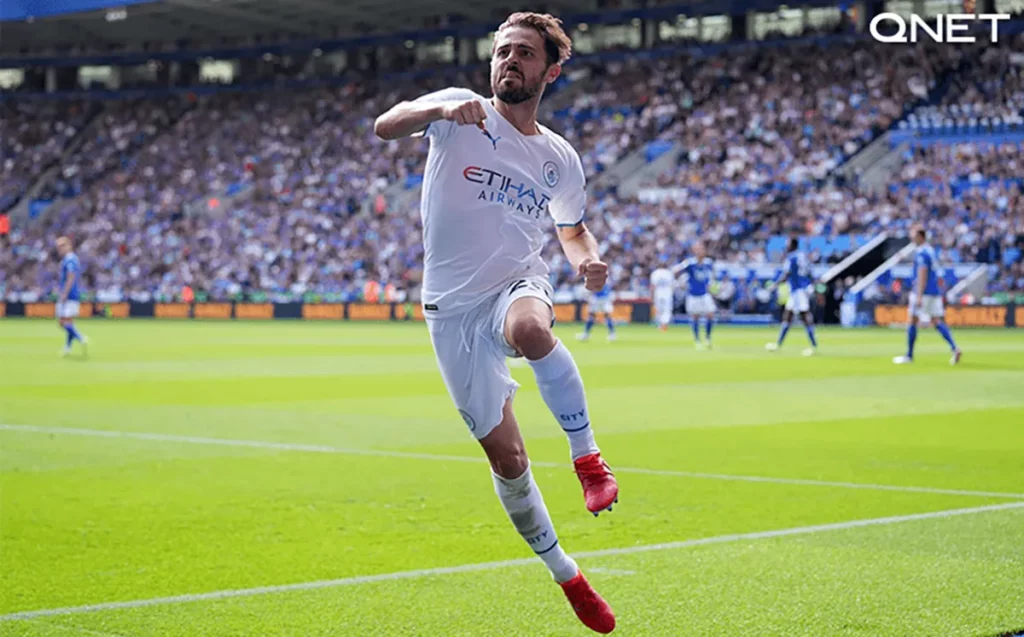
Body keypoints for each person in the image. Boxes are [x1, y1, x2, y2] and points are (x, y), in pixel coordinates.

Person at [374, 12, 617, 633]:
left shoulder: (559, 156)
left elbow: (572, 230)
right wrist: (436, 111)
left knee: (531, 330)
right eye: (503, 51)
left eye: (525, 53)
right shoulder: (460, 110)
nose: (510, 60)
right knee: (508, 461)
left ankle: (588, 459)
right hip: (450, 310)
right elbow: (385, 124)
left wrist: (587, 262)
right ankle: (567, 574)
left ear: (550, 72)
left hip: (516, 284)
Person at [893, 225, 962, 365]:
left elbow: (922, 273)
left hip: (923, 292)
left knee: (912, 320)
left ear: (920, 236)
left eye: (913, 235)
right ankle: (954, 348)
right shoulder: (930, 251)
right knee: (936, 321)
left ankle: (909, 355)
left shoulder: (922, 253)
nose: (911, 237)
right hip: (934, 292)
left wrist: (919, 295)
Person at [765, 236, 818, 356]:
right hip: (800, 289)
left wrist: (775, 285)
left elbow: (786, 274)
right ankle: (778, 344)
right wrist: (811, 283)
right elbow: (809, 272)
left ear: (793, 245)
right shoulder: (803, 256)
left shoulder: (791, 257)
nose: (786, 246)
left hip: (798, 290)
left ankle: (814, 346)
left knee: (804, 316)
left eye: (788, 244)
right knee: (787, 316)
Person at [676, 242, 716, 349]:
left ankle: (707, 338)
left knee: (710, 314)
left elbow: (711, 275)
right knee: (695, 317)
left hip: (705, 293)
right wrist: (681, 282)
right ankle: (697, 340)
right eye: (697, 249)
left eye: (701, 249)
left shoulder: (708, 263)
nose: (699, 251)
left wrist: (711, 284)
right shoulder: (689, 263)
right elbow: (676, 270)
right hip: (693, 294)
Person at [55, 236, 88, 357]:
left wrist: (65, 292)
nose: (60, 249)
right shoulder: (71, 259)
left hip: (70, 295)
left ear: (69, 245)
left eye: (62, 246)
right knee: (68, 322)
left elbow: (71, 276)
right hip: (71, 294)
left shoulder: (70, 259)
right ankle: (67, 348)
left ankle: (81, 338)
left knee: (62, 322)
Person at [649, 263, 676, 331]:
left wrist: (651, 296)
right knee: (667, 310)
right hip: (667, 293)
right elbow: (672, 285)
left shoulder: (655, 273)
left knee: (659, 310)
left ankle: (661, 324)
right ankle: (664, 324)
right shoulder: (669, 273)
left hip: (658, 293)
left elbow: (653, 286)